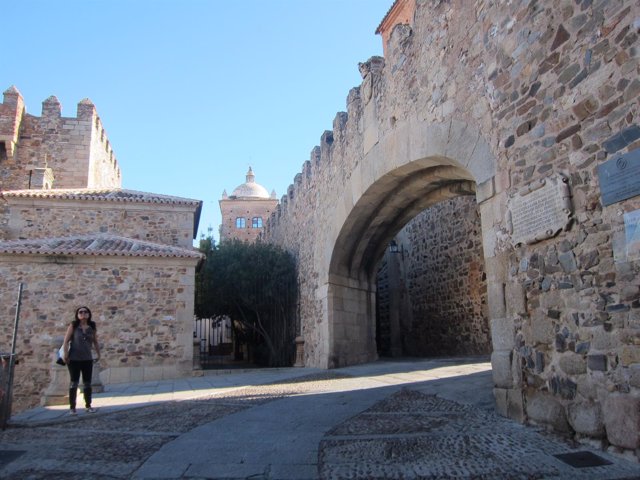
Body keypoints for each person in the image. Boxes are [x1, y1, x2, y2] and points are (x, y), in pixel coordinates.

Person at [62, 306, 101, 415]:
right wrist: (66, 354)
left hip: (87, 358)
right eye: (81, 312)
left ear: (89, 314)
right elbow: (65, 341)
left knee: (87, 383)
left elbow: (95, 341)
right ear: (77, 314)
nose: (83, 313)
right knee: (74, 383)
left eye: (85, 312)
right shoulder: (73, 326)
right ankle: (72, 408)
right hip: (74, 359)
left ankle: (88, 405)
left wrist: (98, 354)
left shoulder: (91, 327)